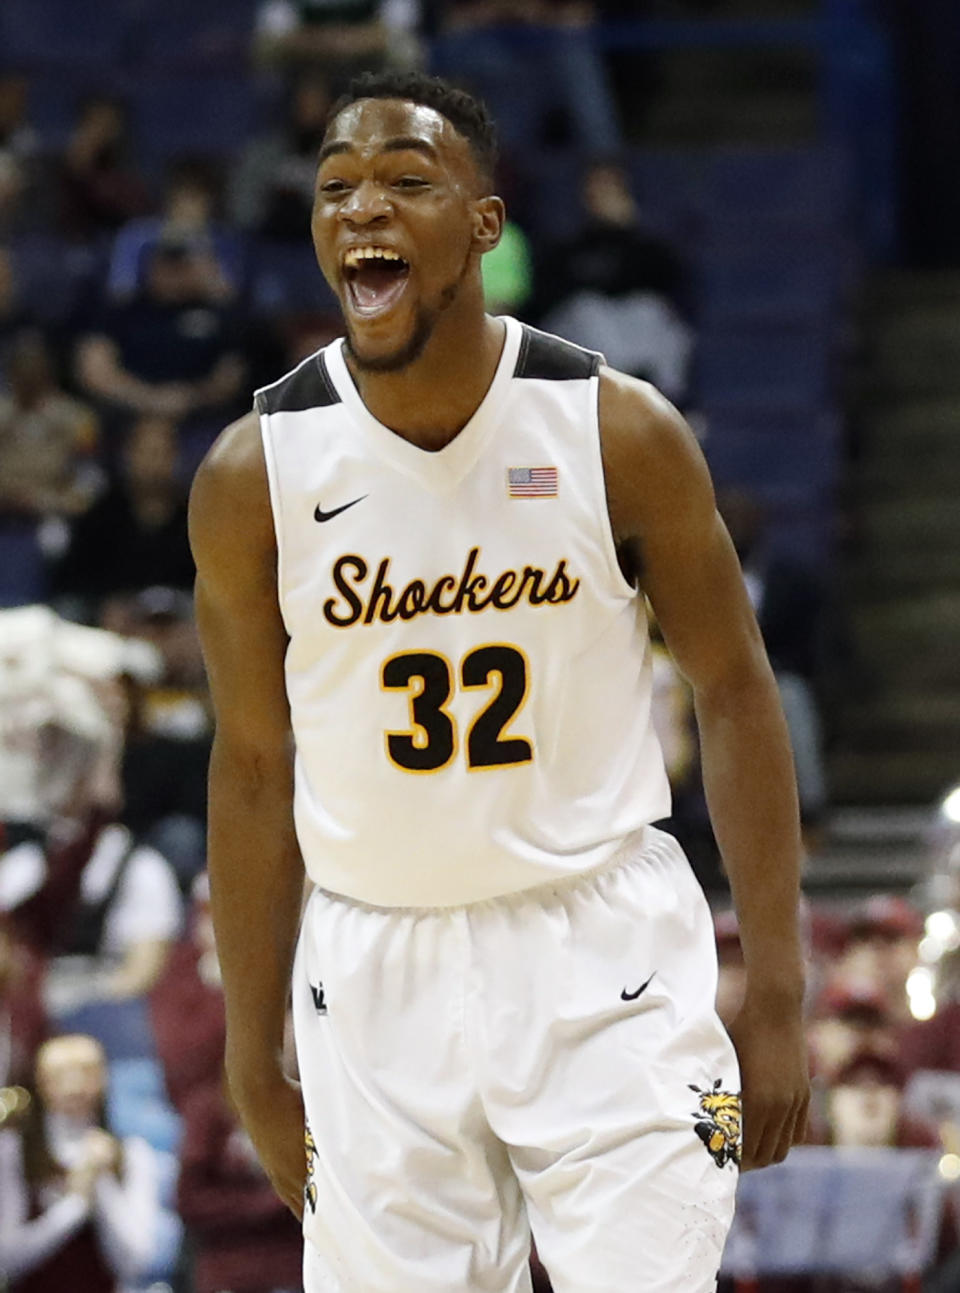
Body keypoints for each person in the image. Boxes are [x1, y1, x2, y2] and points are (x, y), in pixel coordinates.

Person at [189, 70, 809, 1292]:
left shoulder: (615, 430)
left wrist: (779, 990)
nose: (362, 209)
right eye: (336, 189)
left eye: (407, 183)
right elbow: (255, 766)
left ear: (485, 224)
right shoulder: (252, 472)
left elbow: (737, 694)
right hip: (372, 973)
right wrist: (250, 1054)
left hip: (602, 956)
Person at [0, 1033, 160, 1292]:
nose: (74, 1086)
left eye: (86, 1073)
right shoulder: (14, 1152)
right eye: (60, 1075)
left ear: (103, 1079)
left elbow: (135, 1260)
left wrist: (101, 1182)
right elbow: (7, 1259)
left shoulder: (131, 1153)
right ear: (41, 1082)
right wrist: (74, 1206)